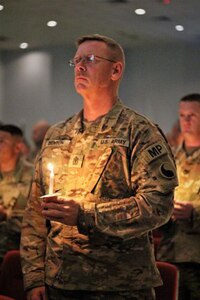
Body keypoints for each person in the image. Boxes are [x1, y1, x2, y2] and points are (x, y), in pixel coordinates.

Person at [20, 34, 178, 300]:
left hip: (119, 285)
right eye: (77, 61)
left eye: (91, 59)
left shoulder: (138, 131)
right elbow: (36, 212)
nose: (80, 66)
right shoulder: (58, 133)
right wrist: (34, 276)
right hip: (60, 281)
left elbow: (157, 206)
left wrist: (85, 214)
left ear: (116, 70)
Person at [157, 93, 200, 300]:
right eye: (182, 115)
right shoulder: (171, 158)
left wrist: (194, 212)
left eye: (192, 115)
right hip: (170, 250)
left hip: (196, 255)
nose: (186, 121)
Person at [0, 124, 33, 263]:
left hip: (20, 249)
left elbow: (38, 218)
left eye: (1, 141)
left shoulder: (33, 175)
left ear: (18, 147)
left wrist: (6, 215)